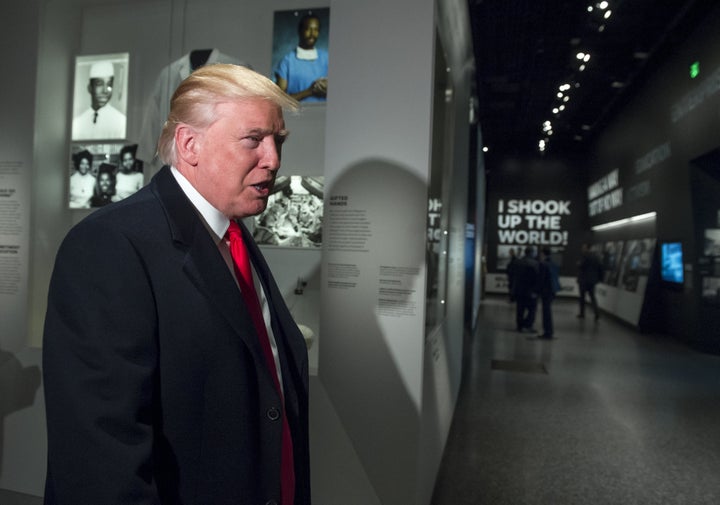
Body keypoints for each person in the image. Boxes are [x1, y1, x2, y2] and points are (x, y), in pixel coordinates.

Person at [43, 64, 310, 505]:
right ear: (190, 145)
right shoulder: (108, 246)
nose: (274, 159)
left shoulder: (234, 237)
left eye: (277, 141)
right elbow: (101, 457)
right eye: (254, 139)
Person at [274, 13, 329, 102]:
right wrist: (309, 91)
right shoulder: (287, 61)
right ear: (300, 30)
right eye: (308, 29)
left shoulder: (327, 58)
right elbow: (280, 100)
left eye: (316, 30)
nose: (312, 34)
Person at [72, 60, 127, 140]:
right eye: (99, 84)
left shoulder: (121, 122)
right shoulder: (78, 123)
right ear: (90, 88)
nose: (105, 90)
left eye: (109, 85)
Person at [513, 246, 540, 332]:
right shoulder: (535, 263)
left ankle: (519, 325)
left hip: (519, 289)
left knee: (520, 309)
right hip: (530, 290)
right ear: (532, 253)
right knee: (532, 309)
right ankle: (528, 325)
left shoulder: (518, 262)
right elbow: (537, 278)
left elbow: (513, 276)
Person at [537, 247, 561, 339]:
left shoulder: (543, 264)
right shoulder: (554, 263)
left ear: (543, 254)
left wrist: (537, 291)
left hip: (546, 290)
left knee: (546, 312)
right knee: (547, 311)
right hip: (553, 290)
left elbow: (541, 279)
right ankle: (549, 331)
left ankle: (547, 332)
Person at [577, 242, 603, 320]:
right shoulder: (596, 257)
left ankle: (582, 313)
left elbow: (581, 265)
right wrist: (599, 279)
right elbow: (600, 268)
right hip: (592, 281)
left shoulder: (585, 256)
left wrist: (578, 264)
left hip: (584, 280)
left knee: (582, 298)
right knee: (592, 297)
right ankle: (596, 313)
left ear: (587, 248)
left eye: (583, 247)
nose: (582, 249)